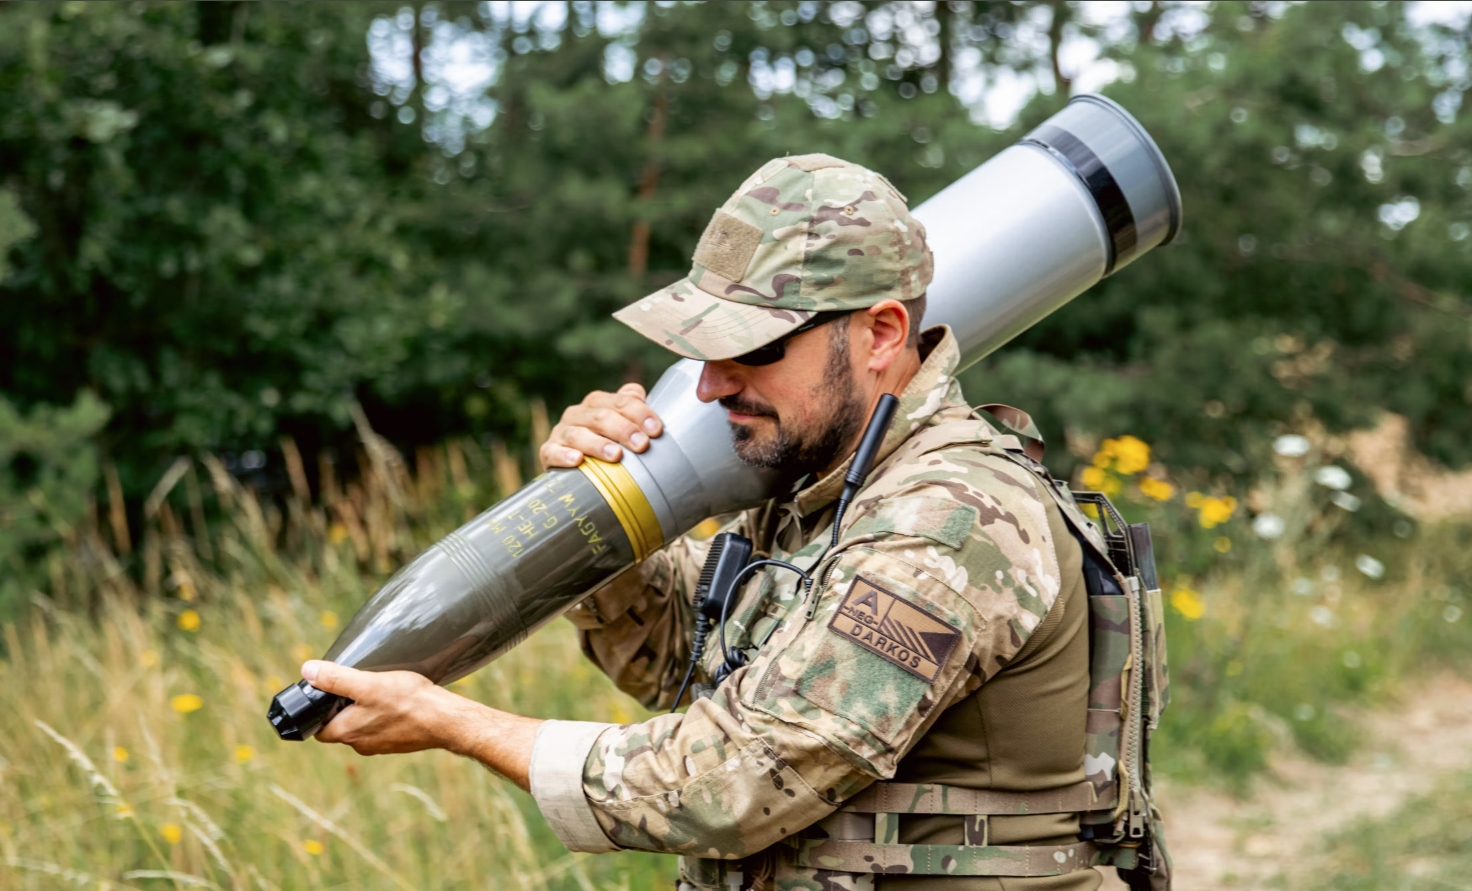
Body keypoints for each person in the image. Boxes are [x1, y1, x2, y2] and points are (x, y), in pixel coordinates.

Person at [303, 154, 1101, 890]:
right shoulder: (811, 488)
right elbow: (678, 659)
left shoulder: (949, 521)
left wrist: (453, 722)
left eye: (749, 350)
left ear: (881, 334)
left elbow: (739, 777)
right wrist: (585, 516)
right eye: (702, 352)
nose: (712, 386)